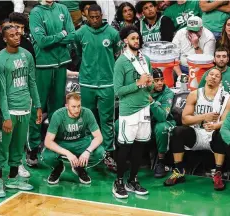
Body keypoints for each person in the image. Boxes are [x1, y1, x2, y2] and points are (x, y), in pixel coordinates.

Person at [0, 25, 42, 198]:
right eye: (12, 35)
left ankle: (13, 177)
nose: (16, 37)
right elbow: (1, 92)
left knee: (19, 146)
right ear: (5, 39)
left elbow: (32, 82)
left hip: (25, 108)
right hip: (9, 109)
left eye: (17, 34)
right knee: (3, 146)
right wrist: (5, 116)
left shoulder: (26, 55)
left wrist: (38, 106)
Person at [164, 68, 230, 191]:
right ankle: (179, 171)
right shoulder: (195, 94)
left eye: (217, 76)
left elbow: (226, 123)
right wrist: (204, 117)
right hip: (197, 134)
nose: (213, 77)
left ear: (220, 81)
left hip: (214, 135)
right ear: (206, 77)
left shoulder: (226, 98)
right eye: (211, 74)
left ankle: (218, 173)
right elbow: (185, 119)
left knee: (221, 133)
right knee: (178, 131)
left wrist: (215, 125)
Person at [28, 0, 75, 167]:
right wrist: (61, 35)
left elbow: (72, 34)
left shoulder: (62, 8)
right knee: (38, 107)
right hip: (42, 64)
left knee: (58, 108)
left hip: (61, 63)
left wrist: (58, 37)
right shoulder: (36, 13)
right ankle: (32, 147)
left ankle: (54, 146)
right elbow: (41, 41)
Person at [75, 4, 121, 171]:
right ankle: (89, 152)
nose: (94, 20)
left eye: (97, 17)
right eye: (91, 17)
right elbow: (79, 52)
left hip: (107, 83)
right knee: (87, 119)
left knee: (107, 120)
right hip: (87, 83)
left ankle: (109, 154)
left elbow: (116, 52)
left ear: (102, 15)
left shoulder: (112, 33)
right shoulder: (80, 33)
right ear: (86, 16)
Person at [113, 25, 152, 199]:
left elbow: (148, 85)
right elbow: (118, 91)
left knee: (139, 148)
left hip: (144, 108)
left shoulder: (145, 60)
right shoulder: (121, 61)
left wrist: (149, 83)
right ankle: (119, 181)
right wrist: (138, 83)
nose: (136, 41)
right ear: (125, 41)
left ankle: (133, 180)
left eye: (138, 38)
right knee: (125, 148)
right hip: (128, 110)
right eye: (133, 38)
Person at [42, 93, 105, 184]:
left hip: (81, 142)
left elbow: (99, 137)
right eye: (73, 106)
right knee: (46, 156)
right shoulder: (58, 115)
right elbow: (48, 141)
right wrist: (68, 153)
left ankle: (80, 167)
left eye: (79, 106)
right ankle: (58, 167)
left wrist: (87, 151)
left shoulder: (87, 113)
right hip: (62, 143)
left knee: (100, 152)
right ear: (67, 106)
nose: (77, 110)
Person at [150, 68, 176, 178]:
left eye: (161, 79)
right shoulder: (141, 91)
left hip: (167, 122)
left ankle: (161, 162)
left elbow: (162, 117)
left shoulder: (167, 93)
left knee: (161, 128)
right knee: (119, 124)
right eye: (156, 80)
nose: (160, 83)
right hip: (146, 121)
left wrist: (152, 102)